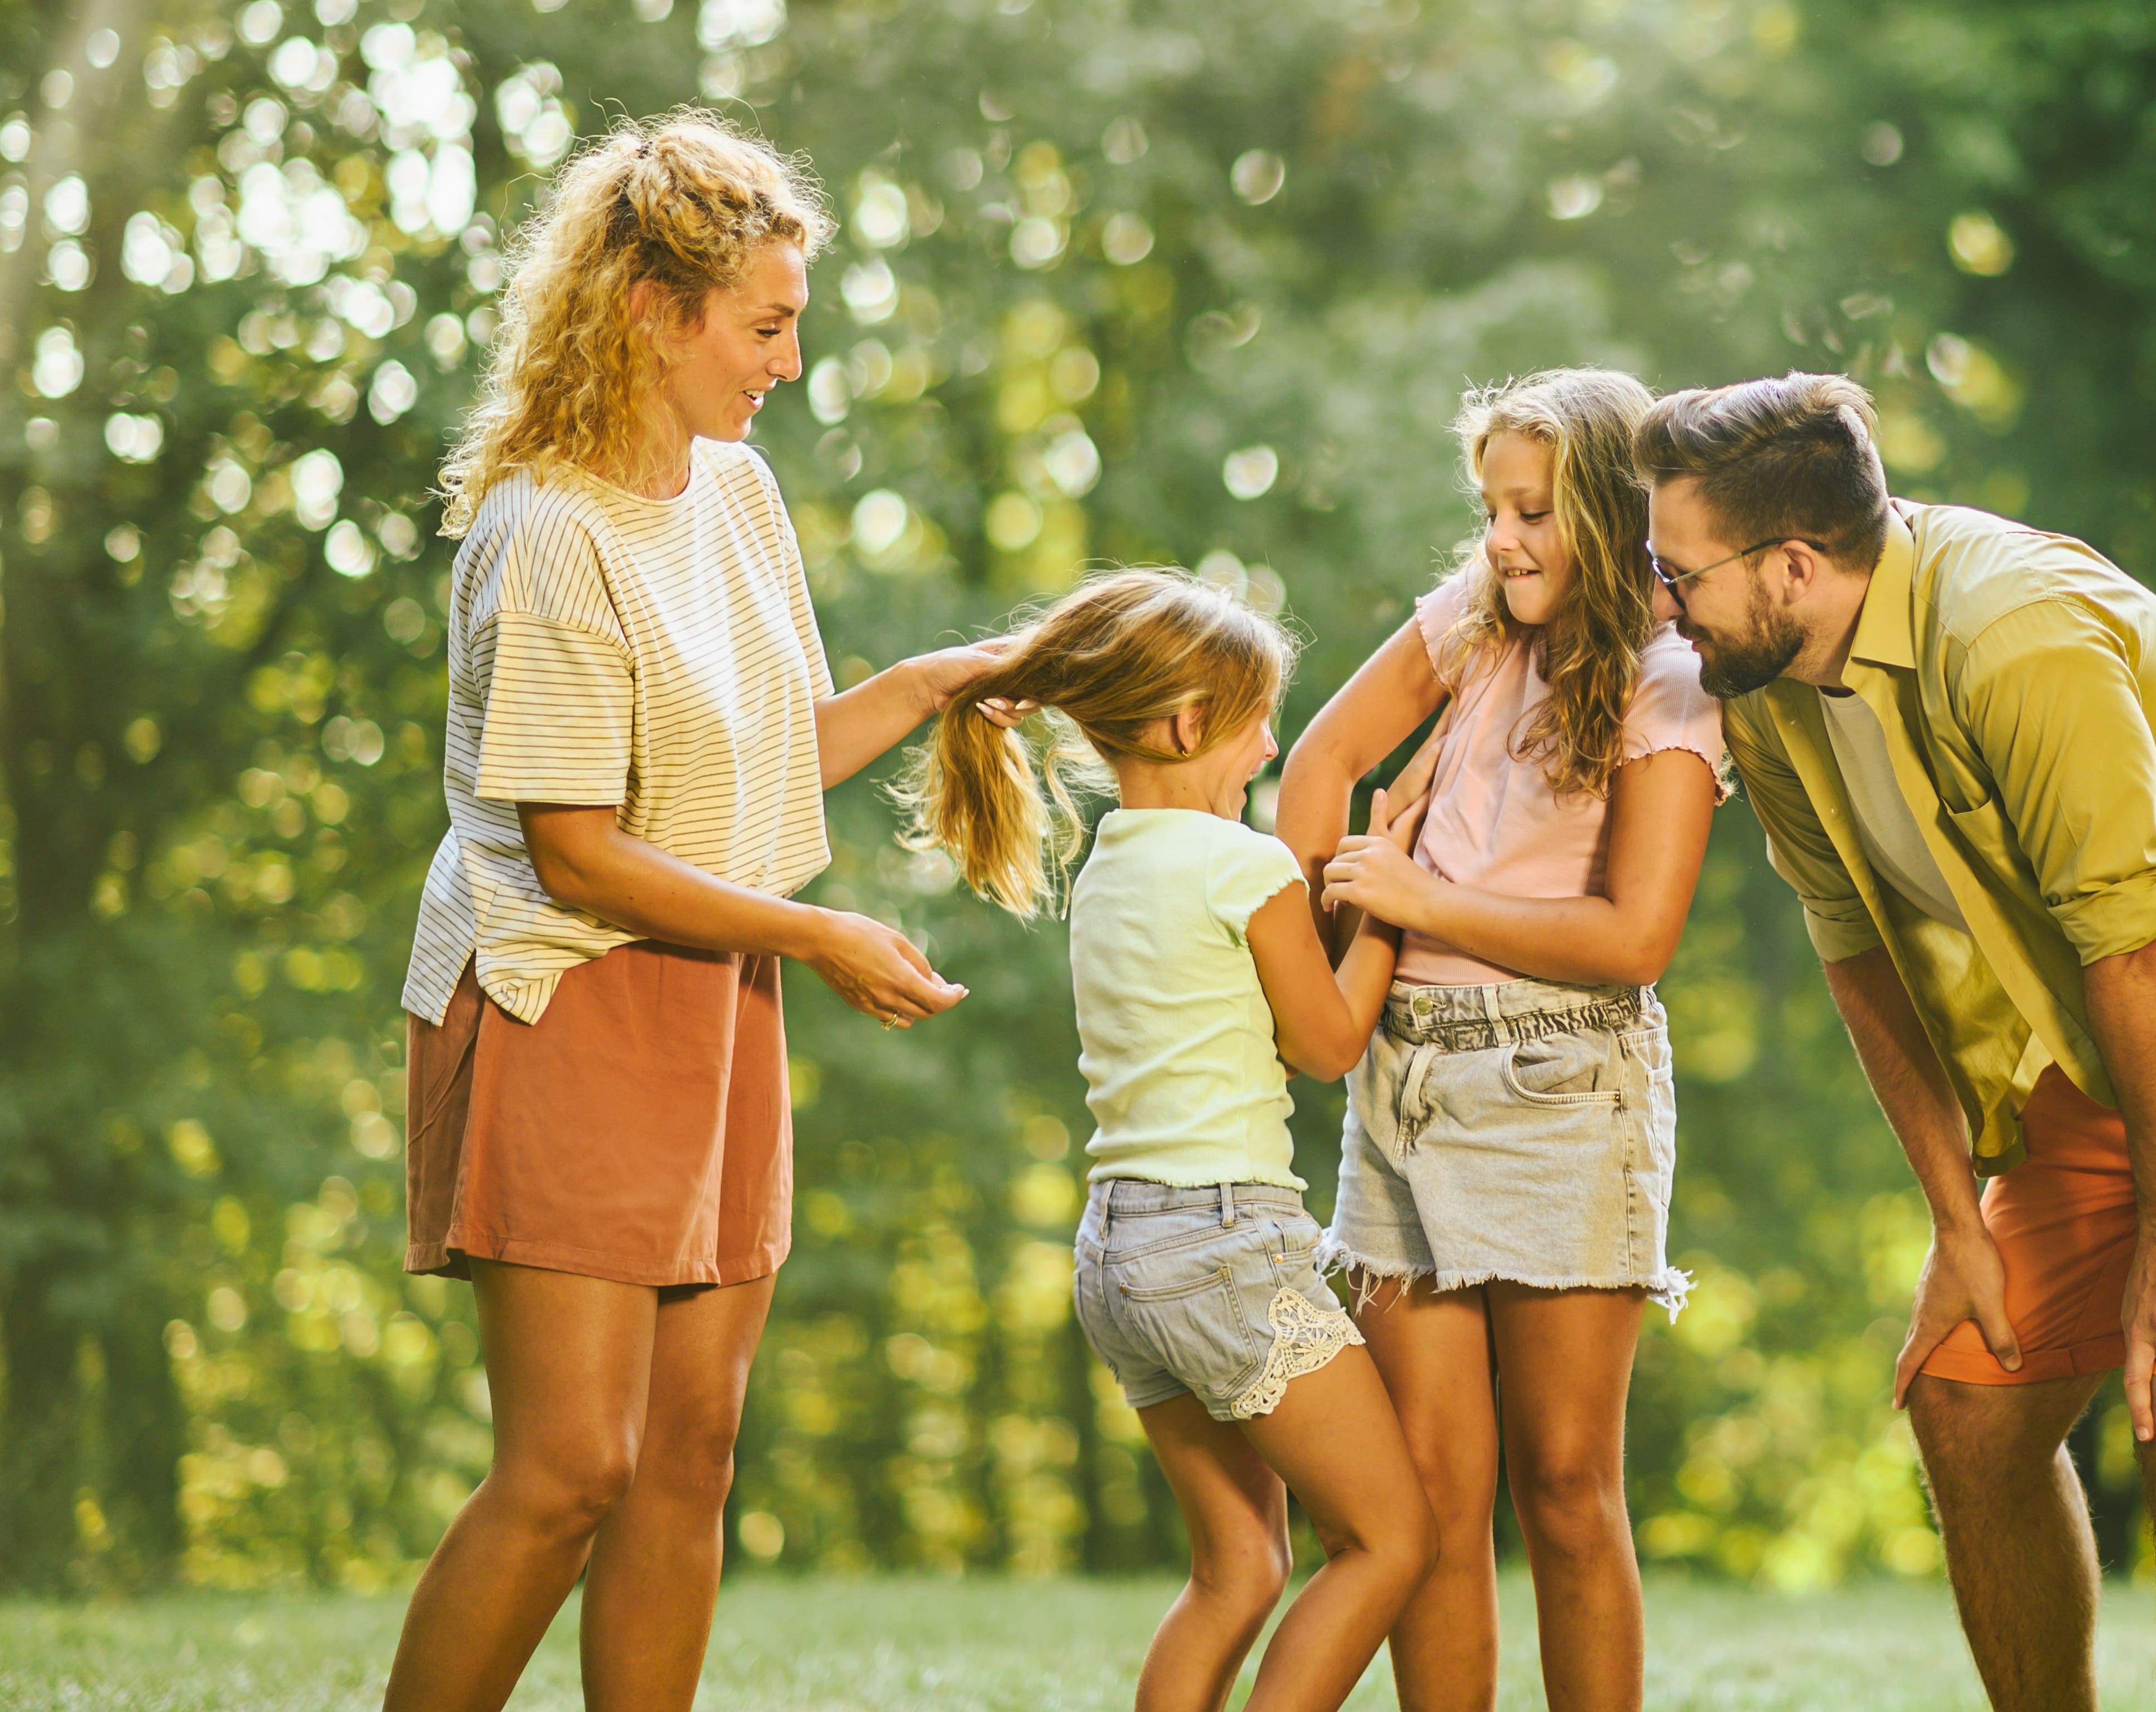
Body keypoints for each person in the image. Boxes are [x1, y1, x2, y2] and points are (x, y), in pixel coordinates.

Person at [1636, 373, 2156, 1712]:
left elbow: (2141, 942)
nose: (1664, 607)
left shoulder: (2010, 631)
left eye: (1681, 575)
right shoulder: (1765, 684)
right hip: (2114, 1037)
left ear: (1792, 562)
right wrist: (1957, 1217)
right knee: (1965, 1404)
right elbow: (1860, 956)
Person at [383, 112, 996, 1712]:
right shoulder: (547, 533)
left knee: (692, 1454)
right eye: (767, 325)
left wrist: (938, 684)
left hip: (712, 989)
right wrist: (824, 937)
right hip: (564, 991)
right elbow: (574, 852)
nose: (787, 361)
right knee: (573, 1465)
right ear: (651, 310)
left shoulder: (733, 494)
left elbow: (773, 748)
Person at [1275, 368, 1726, 1712]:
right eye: (1491, 510)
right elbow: (1317, 766)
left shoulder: (1673, 679)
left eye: (1533, 512)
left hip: (1559, 1084)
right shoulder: (1473, 623)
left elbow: (1635, 938)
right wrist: (1313, 962)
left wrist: (1418, 897)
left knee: (1570, 1487)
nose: (1503, 541)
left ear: (1605, 509)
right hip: (1400, 1079)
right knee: (1432, 1495)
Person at [906, 567, 1434, 1712]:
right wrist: (1393, 901)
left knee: (1237, 1566)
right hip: (1225, 1242)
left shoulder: (1109, 863)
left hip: (1119, 1252)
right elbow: (1329, 1042)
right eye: (1255, 720)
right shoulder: (1241, 866)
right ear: (1190, 721)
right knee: (1391, 1538)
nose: (1268, 745)